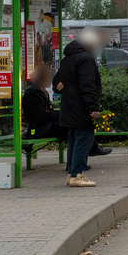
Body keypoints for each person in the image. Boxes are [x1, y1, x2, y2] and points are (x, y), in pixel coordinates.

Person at [24, 64, 111, 159]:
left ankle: (85, 154)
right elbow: (40, 116)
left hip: (44, 126)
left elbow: (47, 114)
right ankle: (86, 154)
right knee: (72, 125)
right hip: (37, 130)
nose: (50, 80)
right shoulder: (32, 93)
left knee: (73, 124)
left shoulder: (39, 90)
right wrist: (61, 114)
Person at [53, 28, 103, 187]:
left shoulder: (67, 59)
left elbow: (57, 82)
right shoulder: (86, 59)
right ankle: (77, 175)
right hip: (81, 108)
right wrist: (93, 107)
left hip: (69, 107)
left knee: (74, 141)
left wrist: (57, 88)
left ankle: (72, 174)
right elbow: (87, 86)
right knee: (84, 141)